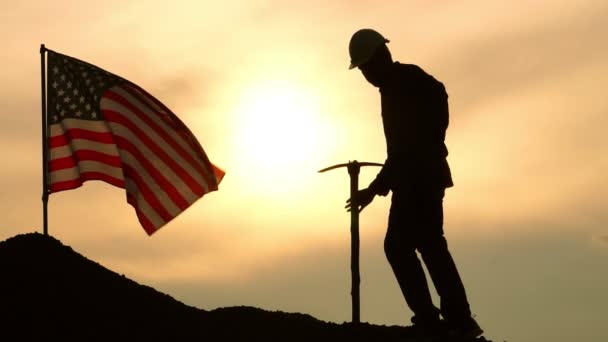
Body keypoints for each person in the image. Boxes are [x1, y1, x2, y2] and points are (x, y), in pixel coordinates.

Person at [345, 28, 483, 340]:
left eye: (366, 67)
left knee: (401, 246)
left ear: (381, 58)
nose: (366, 75)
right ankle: (456, 319)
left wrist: (374, 188)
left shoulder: (401, 86)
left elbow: (403, 148)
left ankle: (438, 320)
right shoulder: (403, 83)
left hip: (417, 180)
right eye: (363, 70)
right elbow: (406, 145)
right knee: (429, 245)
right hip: (419, 178)